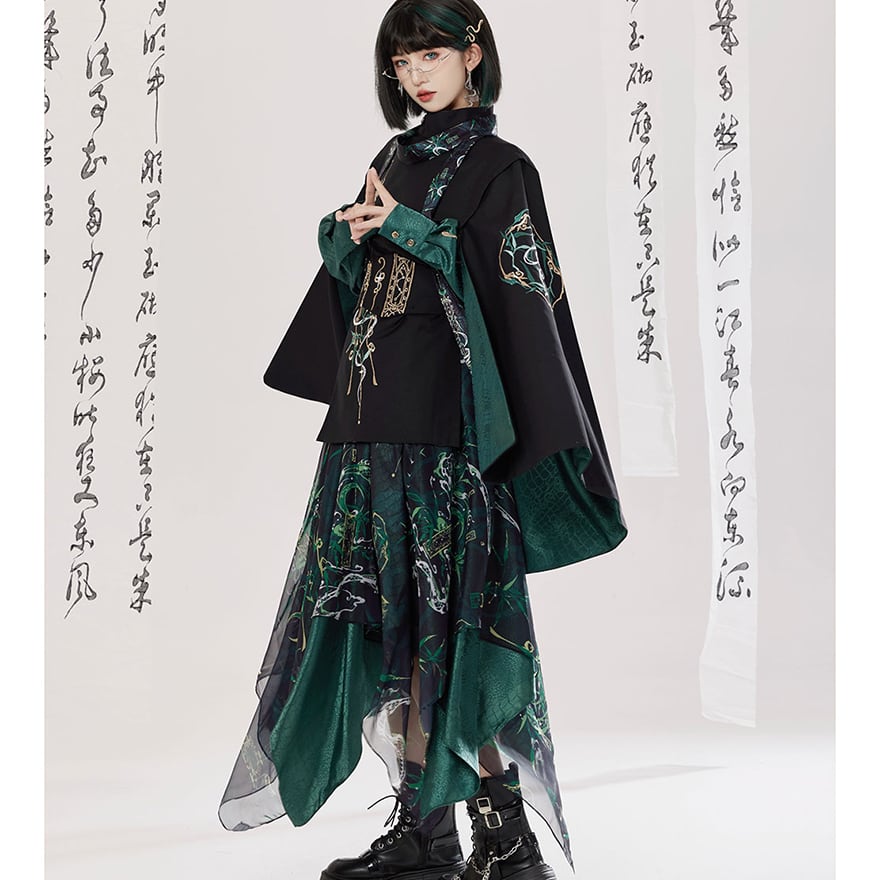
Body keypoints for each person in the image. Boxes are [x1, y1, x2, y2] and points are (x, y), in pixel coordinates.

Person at [218, 2, 628, 878]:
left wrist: (408, 231)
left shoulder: (504, 169)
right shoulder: (393, 158)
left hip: (448, 438)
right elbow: (376, 290)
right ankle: (427, 834)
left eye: (431, 54)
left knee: (454, 630)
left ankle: (507, 842)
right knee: (386, 627)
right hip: (370, 430)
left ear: (473, 54)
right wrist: (345, 241)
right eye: (402, 62)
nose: (416, 75)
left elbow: (509, 293)